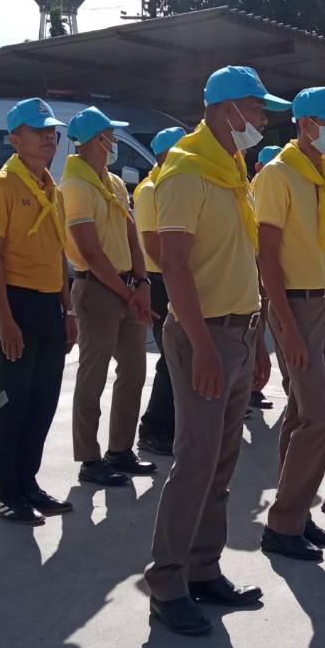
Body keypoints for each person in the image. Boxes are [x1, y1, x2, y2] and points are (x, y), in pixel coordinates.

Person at [146, 65, 285, 636]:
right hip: (202, 334)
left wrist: (257, 341)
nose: (263, 120)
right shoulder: (185, 172)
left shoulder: (230, 170)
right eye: (257, 109)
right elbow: (174, 267)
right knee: (196, 461)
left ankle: (203, 570)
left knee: (222, 463)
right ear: (227, 109)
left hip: (239, 331)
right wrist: (203, 347)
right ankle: (167, 582)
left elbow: (241, 261)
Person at [253, 86, 325, 560]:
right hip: (294, 305)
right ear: (306, 124)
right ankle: (282, 524)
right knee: (321, 416)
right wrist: (287, 329)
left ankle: (296, 514)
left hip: (324, 302)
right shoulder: (278, 175)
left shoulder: (321, 173)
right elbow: (267, 257)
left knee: (299, 415)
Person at [0, 98, 79, 524]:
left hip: (48, 306)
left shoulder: (51, 187)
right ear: (15, 138)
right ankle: (5, 492)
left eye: (52, 131)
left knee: (42, 402)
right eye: (38, 131)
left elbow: (58, 253)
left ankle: (27, 483)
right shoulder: (2, 186)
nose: (48, 138)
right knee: (12, 404)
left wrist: (68, 310)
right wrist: (5, 320)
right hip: (14, 304)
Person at [59, 107, 155, 489]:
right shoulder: (75, 186)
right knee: (93, 375)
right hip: (98, 290)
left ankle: (120, 450)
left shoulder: (112, 182)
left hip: (125, 287)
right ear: (96, 139)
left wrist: (142, 282)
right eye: (110, 135)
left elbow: (131, 234)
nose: (113, 141)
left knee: (133, 371)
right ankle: (89, 458)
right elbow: (91, 252)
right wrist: (127, 291)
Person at [134, 126, 185, 457]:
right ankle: (154, 429)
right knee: (171, 358)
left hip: (174, 278)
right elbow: (153, 245)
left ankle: (174, 426)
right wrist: (179, 278)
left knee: (180, 357)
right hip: (161, 281)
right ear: (166, 154)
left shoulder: (173, 186)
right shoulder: (151, 190)